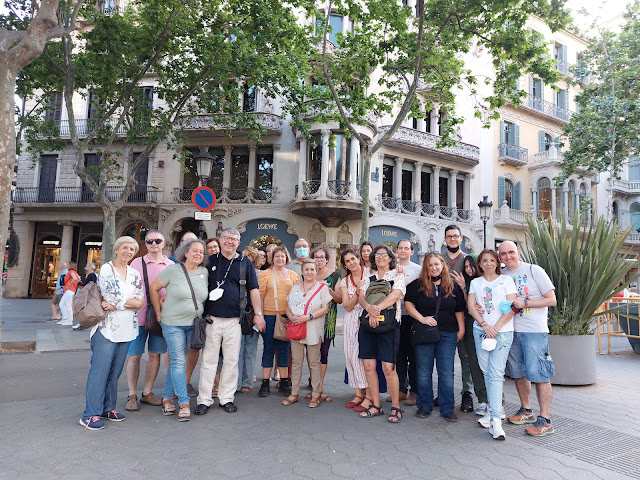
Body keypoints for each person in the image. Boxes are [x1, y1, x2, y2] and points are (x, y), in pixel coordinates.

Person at [194, 228, 265, 415]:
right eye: (226, 238)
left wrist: (258, 314)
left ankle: (226, 398)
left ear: (238, 243)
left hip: (235, 320)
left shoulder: (245, 263)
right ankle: (204, 399)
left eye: (234, 239)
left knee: (231, 361)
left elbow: (254, 289)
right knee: (208, 361)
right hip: (211, 319)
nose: (229, 242)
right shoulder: (209, 260)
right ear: (220, 240)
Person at [79, 236, 144, 430]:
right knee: (100, 372)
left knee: (115, 371)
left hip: (127, 328)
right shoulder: (107, 269)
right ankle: (90, 414)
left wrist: (118, 304)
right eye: (125, 248)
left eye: (132, 249)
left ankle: (107, 408)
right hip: (107, 329)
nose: (128, 252)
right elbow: (109, 296)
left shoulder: (134, 273)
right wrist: (125, 302)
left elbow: (140, 300)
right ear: (116, 249)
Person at [499, 240, 557, 437]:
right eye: (503, 254)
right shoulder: (502, 275)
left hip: (534, 331)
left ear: (518, 252)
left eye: (511, 252)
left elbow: (551, 299)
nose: (507, 256)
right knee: (518, 373)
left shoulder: (534, 270)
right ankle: (526, 410)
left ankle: (545, 420)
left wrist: (525, 303)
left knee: (539, 374)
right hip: (510, 330)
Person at [150, 239, 209, 422]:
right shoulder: (173, 270)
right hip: (172, 323)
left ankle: (167, 398)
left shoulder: (204, 272)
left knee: (178, 361)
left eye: (201, 252)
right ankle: (184, 403)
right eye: (194, 250)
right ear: (186, 252)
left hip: (193, 324)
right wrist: (158, 311)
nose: (198, 254)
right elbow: (154, 288)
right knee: (178, 361)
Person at [404, 253, 465, 422]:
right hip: (424, 333)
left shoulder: (452, 285)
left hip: (448, 333)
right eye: (430, 265)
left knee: (446, 373)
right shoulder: (417, 285)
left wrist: (461, 329)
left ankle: (447, 408)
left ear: (442, 265)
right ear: (425, 267)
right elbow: (408, 303)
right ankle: (424, 405)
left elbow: (459, 309)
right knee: (424, 372)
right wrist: (422, 318)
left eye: (436, 264)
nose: (433, 268)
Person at [467, 249, 517, 440]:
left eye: (492, 260)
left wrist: (495, 327)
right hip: (481, 331)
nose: (488, 263)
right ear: (480, 264)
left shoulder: (506, 281)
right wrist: (484, 325)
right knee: (486, 372)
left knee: (495, 373)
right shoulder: (476, 283)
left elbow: (512, 307)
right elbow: (471, 306)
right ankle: (492, 410)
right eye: (484, 261)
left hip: (502, 333)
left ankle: (496, 420)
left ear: (497, 263)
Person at [125, 230, 173, 412]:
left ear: (164, 243)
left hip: (160, 317)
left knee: (155, 354)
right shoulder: (136, 263)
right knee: (134, 355)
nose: (154, 244)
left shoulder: (170, 265)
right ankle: (132, 394)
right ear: (145, 244)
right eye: (150, 241)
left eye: (157, 241)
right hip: (137, 316)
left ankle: (147, 392)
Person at [357, 244, 405, 423]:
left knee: (388, 368)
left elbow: (395, 295)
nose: (380, 258)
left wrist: (375, 310)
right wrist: (368, 308)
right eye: (377, 255)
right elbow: (361, 296)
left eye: (384, 255)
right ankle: (376, 404)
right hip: (367, 324)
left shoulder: (397, 275)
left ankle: (396, 407)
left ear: (390, 258)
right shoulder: (367, 276)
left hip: (389, 325)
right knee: (369, 366)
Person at [283, 258, 332, 407]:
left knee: (314, 363)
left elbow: (325, 308)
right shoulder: (295, 287)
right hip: (296, 328)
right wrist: (291, 317)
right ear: (302, 271)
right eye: (306, 269)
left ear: (316, 271)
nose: (309, 272)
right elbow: (288, 306)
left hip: (313, 329)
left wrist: (308, 317)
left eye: (312, 269)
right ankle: (294, 393)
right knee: (296, 362)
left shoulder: (322, 287)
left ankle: (316, 394)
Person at [443, 224, 476, 413]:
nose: (452, 239)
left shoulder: (468, 260)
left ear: (461, 238)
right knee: (444, 356)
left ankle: (467, 393)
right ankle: (445, 392)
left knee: (465, 356)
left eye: (455, 236)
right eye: (449, 236)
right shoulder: (439, 259)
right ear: (445, 239)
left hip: (464, 314)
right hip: (443, 315)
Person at [258, 245, 299, 397]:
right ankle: (265, 382)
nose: (280, 259)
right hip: (269, 316)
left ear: (286, 257)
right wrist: (260, 315)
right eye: (277, 256)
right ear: (272, 258)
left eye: (282, 256)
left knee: (284, 349)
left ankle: (283, 381)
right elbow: (260, 297)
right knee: (268, 348)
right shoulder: (265, 275)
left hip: (286, 317)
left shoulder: (293, 275)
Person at [451, 254, 489, 416]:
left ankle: (487, 400)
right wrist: (462, 287)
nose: (468, 269)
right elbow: (467, 305)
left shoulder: (484, 282)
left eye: (470, 266)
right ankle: (469, 393)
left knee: (481, 362)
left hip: (482, 326)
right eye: (465, 267)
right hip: (464, 323)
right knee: (466, 359)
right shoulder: (467, 282)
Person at [339, 248, 373, 412]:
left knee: (364, 357)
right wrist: (358, 292)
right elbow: (347, 306)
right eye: (347, 261)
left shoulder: (370, 273)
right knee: (350, 357)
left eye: (353, 259)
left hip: (367, 316)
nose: (351, 262)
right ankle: (358, 393)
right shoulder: (345, 281)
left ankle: (369, 395)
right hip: (351, 319)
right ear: (345, 265)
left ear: (358, 258)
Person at [390, 240, 422, 406]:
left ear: (412, 251)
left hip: (412, 317)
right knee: (399, 355)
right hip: (395, 317)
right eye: (400, 248)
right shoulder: (391, 269)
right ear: (397, 250)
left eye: (406, 248)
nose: (403, 250)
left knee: (413, 356)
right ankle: (401, 390)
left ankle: (414, 391)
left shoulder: (418, 270)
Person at [310, 246, 342, 403]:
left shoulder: (335, 276)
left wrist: (327, 289)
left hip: (328, 321)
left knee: (323, 353)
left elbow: (339, 299)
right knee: (312, 354)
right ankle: (313, 387)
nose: (319, 260)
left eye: (322, 257)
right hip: (310, 320)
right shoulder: (308, 274)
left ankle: (320, 388)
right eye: (316, 257)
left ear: (327, 259)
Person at [237, 246, 263, 393]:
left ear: (253, 258)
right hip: (238, 315)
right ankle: (236, 381)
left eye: (247, 256)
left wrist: (259, 315)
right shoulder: (237, 271)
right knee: (237, 349)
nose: (244, 258)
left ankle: (247, 381)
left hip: (253, 315)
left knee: (250, 349)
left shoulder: (260, 274)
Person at [58, 262, 81, 326]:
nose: (67, 266)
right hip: (71, 290)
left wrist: (69, 285)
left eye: (68, 265)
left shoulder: (71, 272)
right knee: (62, 304)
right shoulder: (75, 272)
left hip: (69, 290)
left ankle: (69, 320)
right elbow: (78, 279)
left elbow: (75, 278)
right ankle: (66, 318)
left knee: (66, 305)